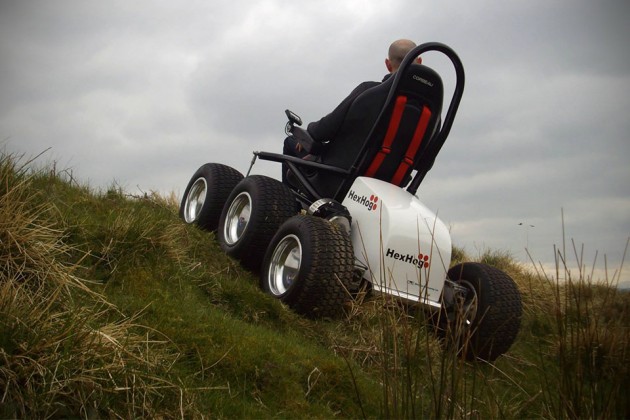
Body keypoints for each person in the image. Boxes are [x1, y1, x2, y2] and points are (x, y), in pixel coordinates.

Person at [282, 39, 421, 167]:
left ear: (387, 64)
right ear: (420, 62)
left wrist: (308, 133)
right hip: (393, 179)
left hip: (342, 172)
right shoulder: (430, 110)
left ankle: (285, 194)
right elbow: (425, 161)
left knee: (290, 143)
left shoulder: (369, 91)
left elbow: (325, 130)